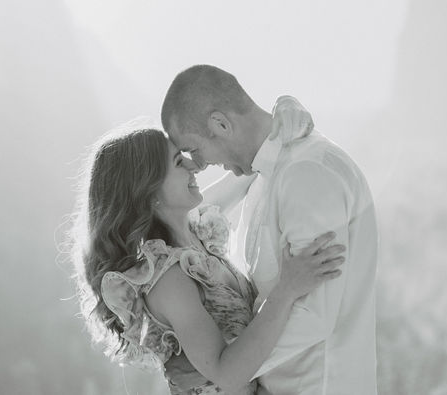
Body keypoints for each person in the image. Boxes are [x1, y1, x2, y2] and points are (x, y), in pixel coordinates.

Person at [69, 116, 346, 395]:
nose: (195, 166)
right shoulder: (170, 280)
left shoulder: (197, 235)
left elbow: (249, 165)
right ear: (149, 193)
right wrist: (287, 289)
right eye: (179, 162)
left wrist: (281, 117)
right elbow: (227, 374)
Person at [162, 65, 379, 394]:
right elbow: (189, 216)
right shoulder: (267, 174)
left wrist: (221, 367)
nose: (199, 165)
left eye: (193, 150)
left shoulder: (307, 175)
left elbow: (314, 313)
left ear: (220, 124)